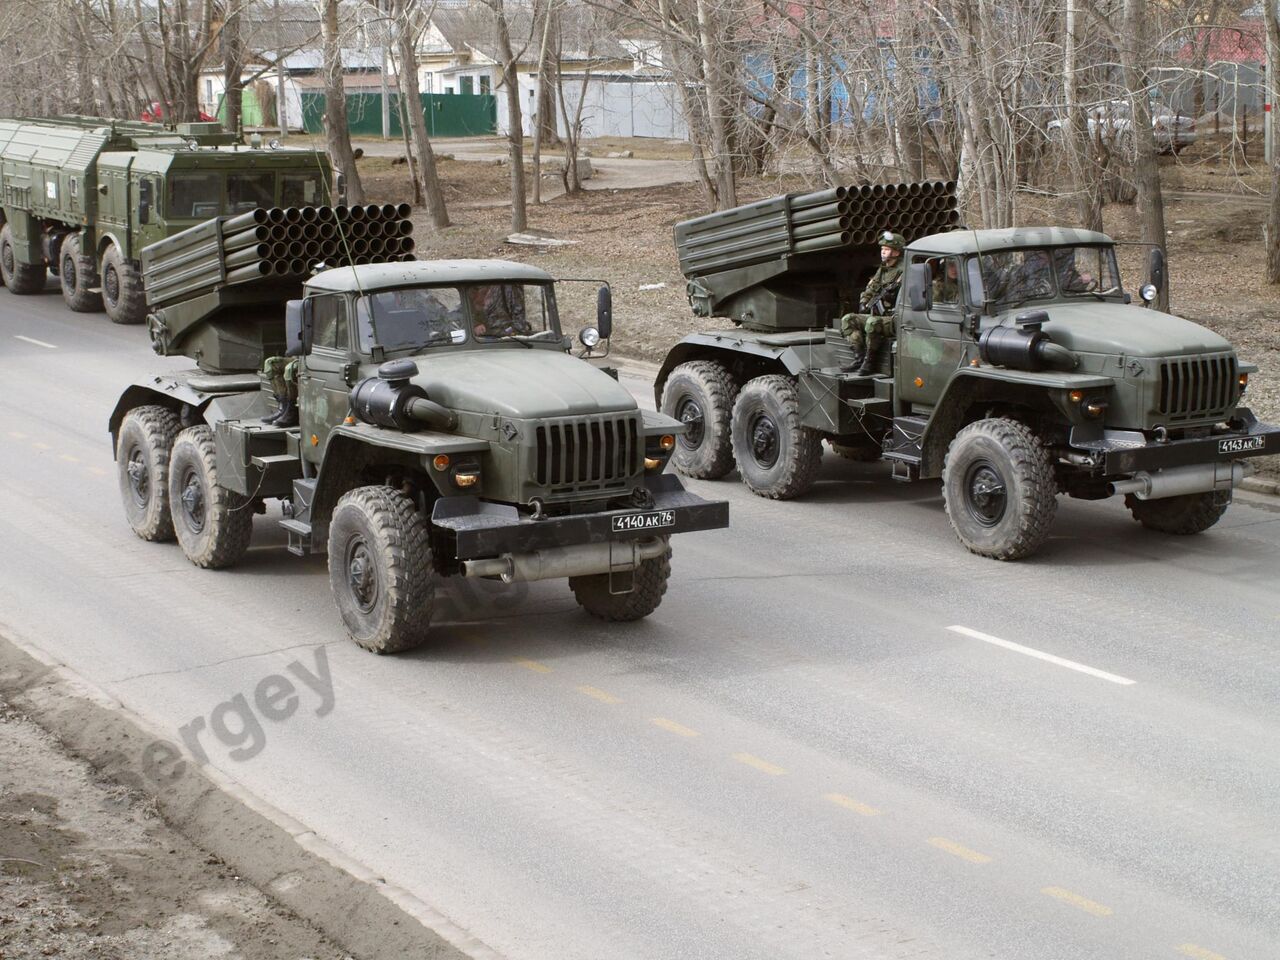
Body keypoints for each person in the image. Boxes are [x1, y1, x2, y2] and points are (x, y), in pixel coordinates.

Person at [839, 231, 904, 375]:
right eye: (882, 249)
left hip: (895, 319)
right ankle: (859, 358)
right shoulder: (883, 269)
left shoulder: (904, 271)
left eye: (886, 249)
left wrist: (893, 296)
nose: (883, 252)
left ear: (896, 252)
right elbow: (871, 288)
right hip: (879, 315)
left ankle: (870, 362)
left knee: (872, 323)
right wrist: (864, 302)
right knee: (848, 319)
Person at [260, 341, 303, 427]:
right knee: (270, 363)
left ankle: (292, 411)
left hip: (312, 359)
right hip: (298, 357)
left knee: (289, 369)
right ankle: (283, 408)